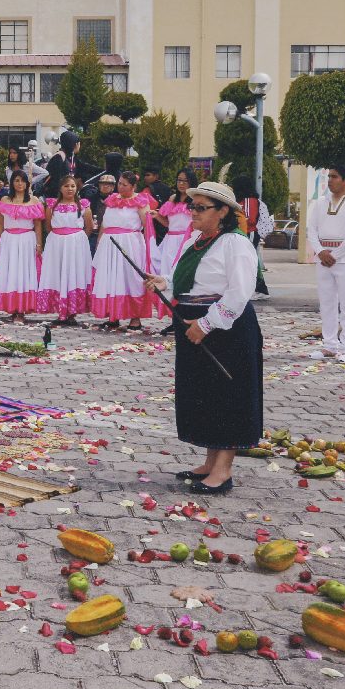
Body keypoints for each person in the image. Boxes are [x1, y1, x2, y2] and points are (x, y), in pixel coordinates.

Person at [143, 182, 262, 495]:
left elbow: (238, 292)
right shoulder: (196, 242)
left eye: (200, 207)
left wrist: (207, 324)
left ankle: (223, 469)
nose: (192, 212)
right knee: (206, 396)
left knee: (229, 396)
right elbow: (190, 283)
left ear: (222, 212)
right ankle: (210, 462)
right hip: (193, 326)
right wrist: (163, 283)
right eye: (191, 206)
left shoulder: (235, 244)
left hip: (227, 332)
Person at [305, 164, 345, 361]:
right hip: (323, 258)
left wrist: (336, 254)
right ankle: (330, 344)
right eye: (329, 176)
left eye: (335, 177)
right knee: (327, 302)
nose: (330, 180)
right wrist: (320, 251)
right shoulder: (319, 203)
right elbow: (312, 230)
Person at [89, 172, 161, 331]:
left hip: (130, 243)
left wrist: (149, 248)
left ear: (133, 186)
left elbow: (147, 225)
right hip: (109, 243)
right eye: (119, 183)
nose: (120, 187)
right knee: (110, 278)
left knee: (131, 279)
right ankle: (113, 315)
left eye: (124, 184)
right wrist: (100, 242)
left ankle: (135, 318)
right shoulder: (112, 199)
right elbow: (104, 224)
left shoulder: (140, 201)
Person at [38, 175, 94, 324]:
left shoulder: (83, 206)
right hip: (56, 244)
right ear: (60, 188)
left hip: (76, 245)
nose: (70, 189)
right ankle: (60, 311)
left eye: (72, 186)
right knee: (58, 274)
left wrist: (76, 238)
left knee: (73, 274)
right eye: (66, 186)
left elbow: (89, 227)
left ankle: (72, 312)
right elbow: (48, 226)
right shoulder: (52, 206)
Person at [0, 170, 42, 323]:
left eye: (23, 181)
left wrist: (39, 244)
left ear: (27, 183)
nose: (20, 184)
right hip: (8, 241)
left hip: (27, 240)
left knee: (24, 274)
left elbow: (38, 225)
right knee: (10, 273)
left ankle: (22, 310)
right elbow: (0, 223)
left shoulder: (34, 201)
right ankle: (12, 308)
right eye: (17, 180)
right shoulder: (5, 200)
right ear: (12, 183)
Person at [154, 168, 200, 276]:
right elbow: (169, 225)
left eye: (185, 181)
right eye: (179, 180)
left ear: (191, 182)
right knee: (167, 269)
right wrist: (156, 216)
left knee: (183, 269)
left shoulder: (195, 200)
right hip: (170, 241)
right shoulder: (172, 199)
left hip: (188, 239)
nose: (181, 184)